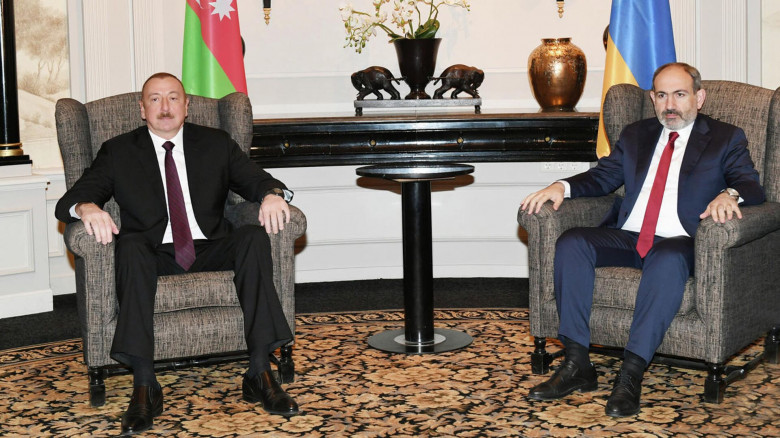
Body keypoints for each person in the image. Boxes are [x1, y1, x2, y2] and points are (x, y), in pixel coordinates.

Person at [55, 73, 299, 435]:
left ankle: (259, 373)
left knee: (252, 237)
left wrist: (272, 195)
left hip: (210, 246)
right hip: (153, 253)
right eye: (155, 99)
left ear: (187, 106)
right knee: (130, 246)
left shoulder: (215, 143)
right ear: (142, 109)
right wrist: (87, 207)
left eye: (173, 98)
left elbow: (256, 178)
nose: (165, 107)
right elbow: (72, 198)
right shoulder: (119, 151)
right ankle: (145, 385)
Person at [519, 62, 765, 417]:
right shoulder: (637, 134)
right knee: (573, 242)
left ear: (699, 97)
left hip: (681, 241)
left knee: (666, 257)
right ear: (652, 98)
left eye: (679, 95)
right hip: (630, 236)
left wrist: (730, 194)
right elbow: (603, 177)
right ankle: (577, 364)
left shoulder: (725, 137)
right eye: (662, 95)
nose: (670, 105)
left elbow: (751, 185)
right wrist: (561, 186)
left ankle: (630, 375)